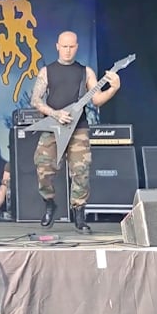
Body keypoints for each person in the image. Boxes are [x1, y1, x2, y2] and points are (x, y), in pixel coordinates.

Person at [30, 31, 120, 234]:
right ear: (57, 46)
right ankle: (49, 203)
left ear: (77, 47)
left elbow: (97, 100)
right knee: (43, 168)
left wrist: (113, 88)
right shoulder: (46, 71)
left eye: (71, 47)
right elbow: (35, 100)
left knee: (81, 172)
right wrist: (55, 114)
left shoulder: (86, 72)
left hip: (78, 128)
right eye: (64, 46)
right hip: (53, 127)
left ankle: (79, 213)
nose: (68, 50)